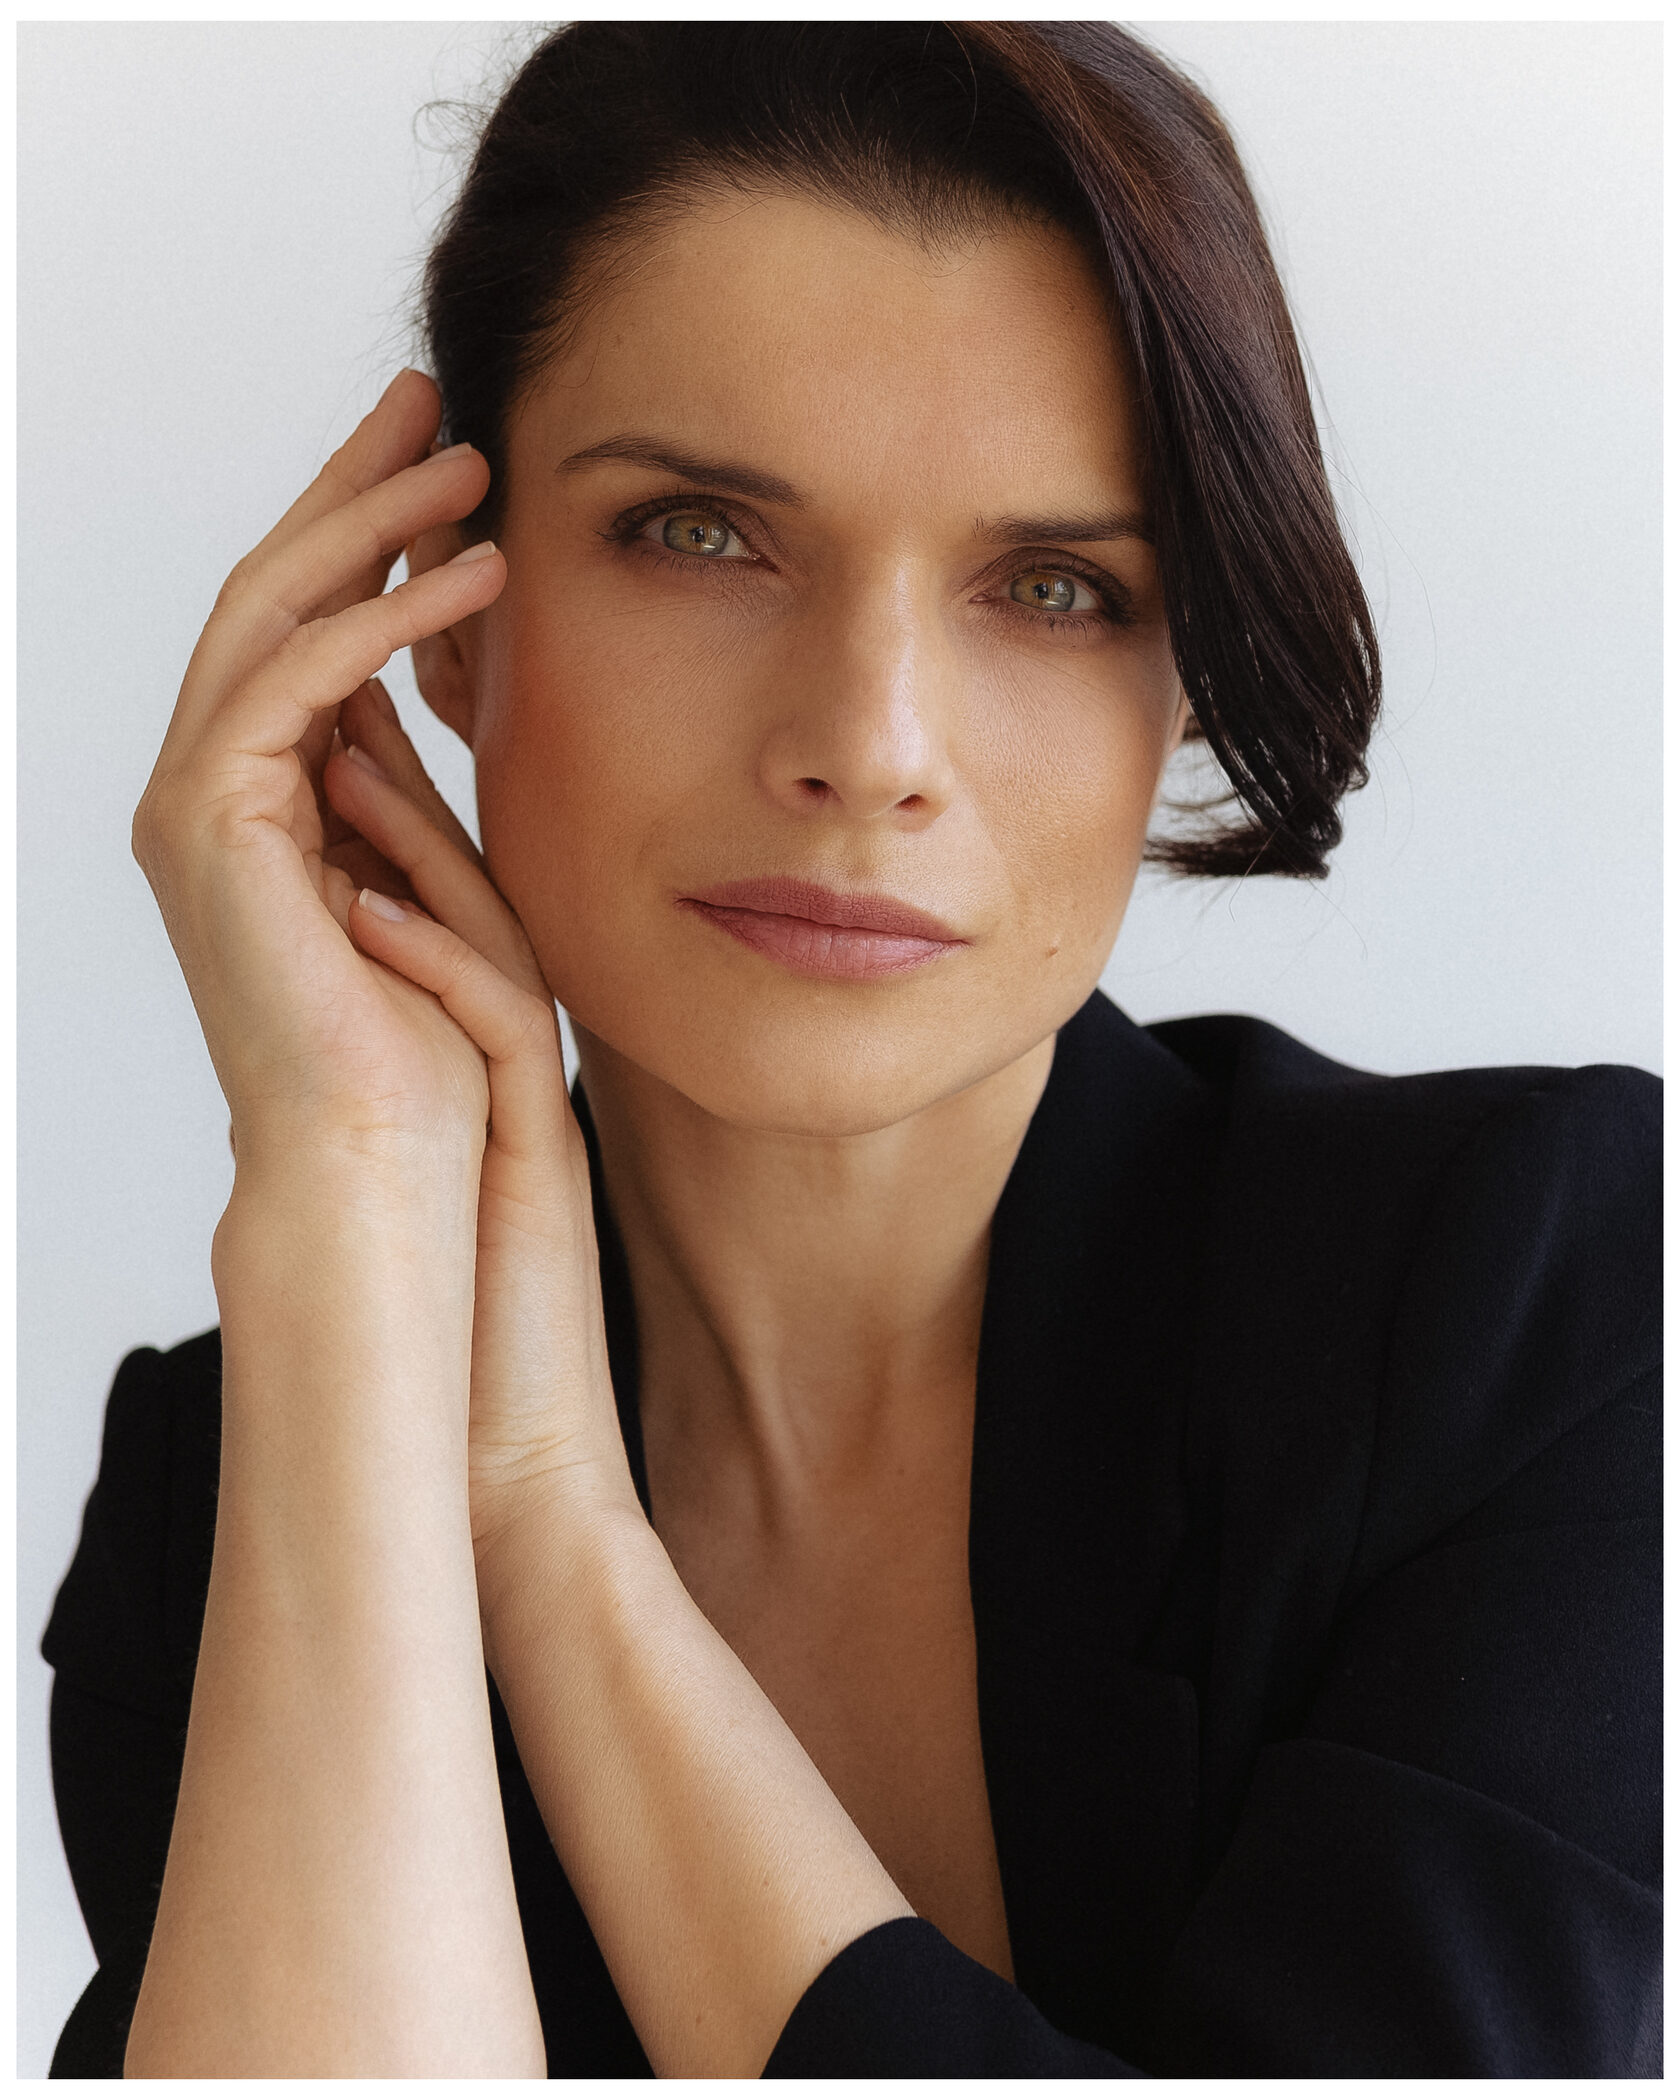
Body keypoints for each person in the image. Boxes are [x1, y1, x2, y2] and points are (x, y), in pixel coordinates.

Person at [42, 21, 1659, 2078]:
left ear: (1182, 679)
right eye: (702, 534)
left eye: (1057, 586)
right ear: (442, 607)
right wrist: (353, 1186)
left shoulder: (1542, 1303)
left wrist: (556, 1535)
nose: (870, 746)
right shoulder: (239, 1480)